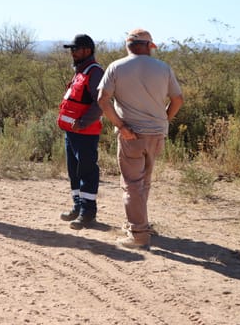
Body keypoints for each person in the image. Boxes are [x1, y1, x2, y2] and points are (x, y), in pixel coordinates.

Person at [98, 28, 183, 250]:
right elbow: (178, 99)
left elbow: (102, 100)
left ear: (129, 46)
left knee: (132, 184)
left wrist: (121, 126)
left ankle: (138, 234)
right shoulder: (163, 68)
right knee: (143, 182)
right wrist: (164, 120)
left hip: (131, 135)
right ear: (147, 46)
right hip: (156, 135)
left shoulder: (116, 67)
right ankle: (139, 225)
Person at [57, 34, 104, 230]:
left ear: (87, 50)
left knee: (87, 171)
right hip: (72, 132)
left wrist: (83, 122)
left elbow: (101, 103)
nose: (72, 53)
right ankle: (77, 206)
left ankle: (88, 212)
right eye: (71, 49)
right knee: (73, 171)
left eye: (75, 49)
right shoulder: (80, 71)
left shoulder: (95, 72)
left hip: (86, 132)